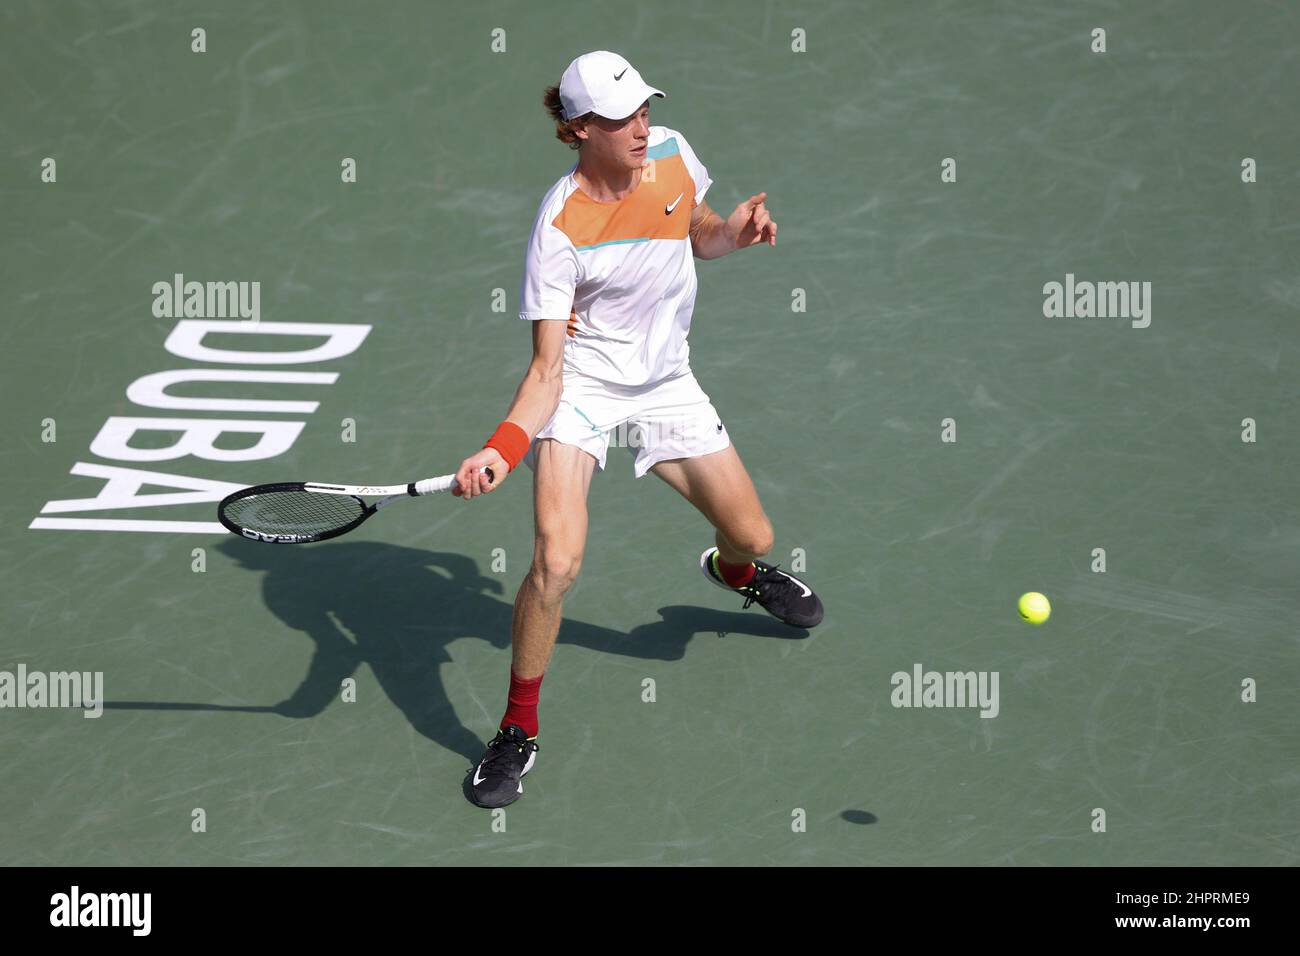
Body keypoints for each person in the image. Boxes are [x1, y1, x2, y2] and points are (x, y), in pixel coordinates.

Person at [452, 51, 824, 808]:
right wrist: (502, 446)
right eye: (623, 119)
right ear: (581, 128)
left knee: (752, 534)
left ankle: (736, 573)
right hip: (584, 389)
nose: (642, 127)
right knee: (556, 563)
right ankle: (517, 730)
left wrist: (736, 236)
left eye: (645, 109)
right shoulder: (559, 229)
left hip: (665, 382)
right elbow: (547, 373)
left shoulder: (674, 155)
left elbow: (696, 230)